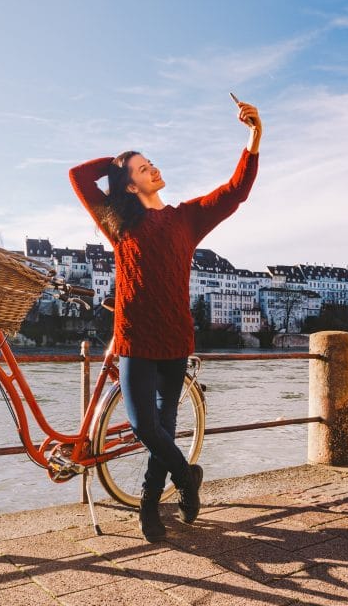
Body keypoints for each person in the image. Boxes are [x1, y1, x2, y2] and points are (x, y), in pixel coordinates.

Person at [69, 99, 261, 541]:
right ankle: (186, 476)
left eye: (151, 163)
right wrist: (118, 160)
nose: (153, 169)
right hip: (134, 340)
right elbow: (79, 176)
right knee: (143, 426)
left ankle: (149, 507)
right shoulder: (118, 224)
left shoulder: (186, 219)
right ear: (129, 185)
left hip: (175, 339)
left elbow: (236, 191)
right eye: (143, 168)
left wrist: (254, 137)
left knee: (165, 425)